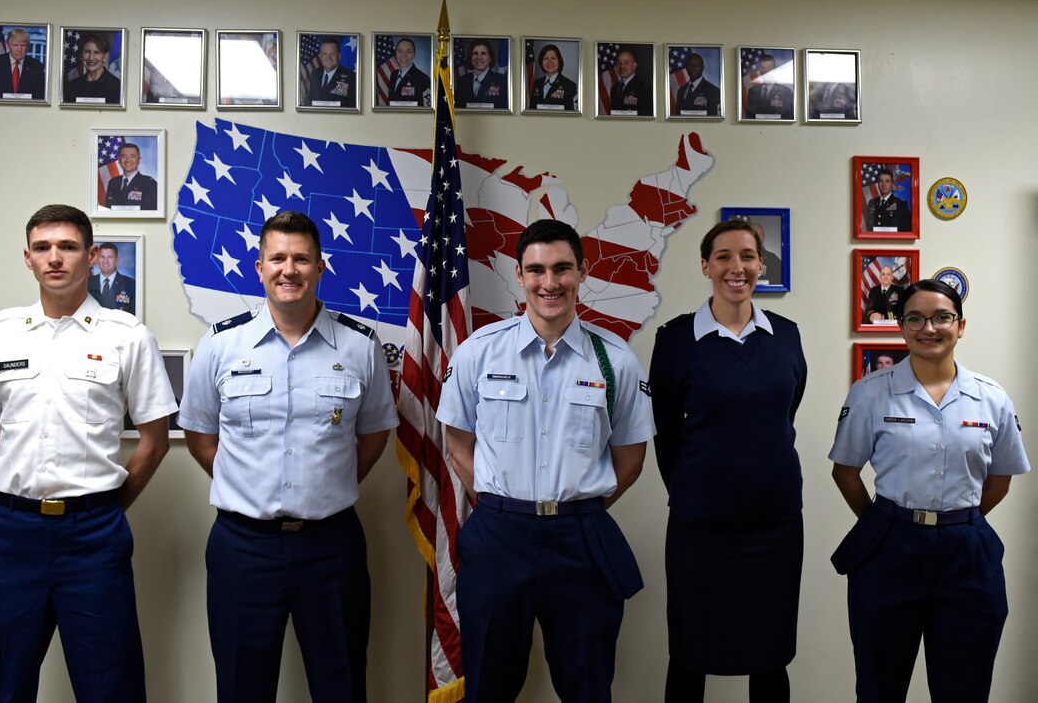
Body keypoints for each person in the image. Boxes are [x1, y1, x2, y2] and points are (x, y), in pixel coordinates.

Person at [0, 203, 176, 702]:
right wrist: (24, 486)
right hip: (14, 535)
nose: (55, 257)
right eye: (43, 247)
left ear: (92, 256)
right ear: (27, 259)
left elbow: (155, 438)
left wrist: (105, 505)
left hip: (94, 537)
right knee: (7, 684)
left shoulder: (128, 337)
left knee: (110, 685)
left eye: (69, 247)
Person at [178, 210, 398, 703]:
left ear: (321, 267)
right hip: (242, 546)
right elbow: (199, 433)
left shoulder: (361, 345)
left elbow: (375, 435)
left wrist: (329, 485)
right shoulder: (221, 344)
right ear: (259, 268)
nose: (289, 270)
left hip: (331, 545)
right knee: (240, 687)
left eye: (301, 259)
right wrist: (245, 484)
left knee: (341, 684)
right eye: (277, 258)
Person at [437, 219, 655, 702]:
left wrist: (577, 507)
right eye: (536, 270)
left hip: (580, 540)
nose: (549, 283)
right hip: (498, 537)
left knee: (587, 688)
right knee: (489, 686)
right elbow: (457, 440)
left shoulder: (615, 360)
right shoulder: (479, 352)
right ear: (519, 275)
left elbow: (631, 457)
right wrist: (497, 502)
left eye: (561, 269)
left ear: (582, 272)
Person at [829, 279, 1030, 703]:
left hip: (966, 552)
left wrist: (960, 520)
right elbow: (845, 471)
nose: (929, 328)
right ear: (901, 328)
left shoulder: (991, 398)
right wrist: (884, 526)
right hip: (891, 548)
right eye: (915, 318)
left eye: (942, 317)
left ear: (960, 326)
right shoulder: (870, 393)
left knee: (965, 687)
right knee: (879, 684)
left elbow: (1001, 479)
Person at [649, 219, 806, 703]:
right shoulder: (675, 340)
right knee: (690, 655)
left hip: (774, 527)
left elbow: (785, 411)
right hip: (701, 529)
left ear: (761, 265)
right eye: (723, 256)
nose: (736, 267)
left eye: (746, 256)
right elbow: (666, 433)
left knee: (770, 655)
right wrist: (697, 490)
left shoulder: (786, 336)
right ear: (704, 266)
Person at [0, 27, 46, 100]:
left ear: (28, 46)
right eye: (15, 45)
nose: (19, 49)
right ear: (8, 45)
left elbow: (39, 96)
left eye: (22, 45)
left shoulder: (36, 66)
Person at [65, 32, 121, 104]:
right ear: (81, 55)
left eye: (96, 52)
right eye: (87, 52)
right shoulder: (72, 86)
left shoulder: (116, 86)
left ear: (105, 56)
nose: (91, 58)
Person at [455, 38, 508, 109]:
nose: (479, 57)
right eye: (475, 53)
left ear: (490, 58)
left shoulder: (501, 80)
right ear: (470, 57)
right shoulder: (462, 81)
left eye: (483, 53)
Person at [305, 37, 356, 108]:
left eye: (332, 53)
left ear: (339, 56)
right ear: (320, 56)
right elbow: (310, 101)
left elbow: (353, 107)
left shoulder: (351, 77)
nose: (328, 57)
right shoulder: (315, 74)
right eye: (325, 53)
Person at [105, 143, 158, 211]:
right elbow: (108, 211)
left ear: (139, 159)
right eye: (124, 156)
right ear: (118, 159)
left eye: (132, 156)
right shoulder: (112, 182)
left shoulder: (149, 184)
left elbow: (153, 214)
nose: (128, 160)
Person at [88, 242, 136, 313]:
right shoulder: (87, 283)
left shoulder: (130, 285)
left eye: (110, 257)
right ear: (97, 260)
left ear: (117, 260)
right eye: (102, 257)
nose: (105, 261)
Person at [528, 43, 577, 111]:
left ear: (559, 60)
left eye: (553, 58)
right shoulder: (537, 83)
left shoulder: (569, 85)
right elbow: (531, 110)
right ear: (541, 61)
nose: (549, 62)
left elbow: (571, 114)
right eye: (545, 58)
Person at [745, 54, 793, 119]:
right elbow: (749, 116)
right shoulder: (752, 91)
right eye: (763, 68)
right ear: (759, 69)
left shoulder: (786, 91)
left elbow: (788, 116)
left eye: (769, 68)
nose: (766, 71)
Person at [673, 52, 721, 117]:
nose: (693, 69)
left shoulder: (714, 91)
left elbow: (714, 117)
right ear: (686, 68)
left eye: (697, 65)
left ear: (702, 68)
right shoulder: (681, 90)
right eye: (690, 66)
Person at [387, 37, 431, 107]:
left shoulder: (423, 79)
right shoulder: (393, 75)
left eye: (409, 52)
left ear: (414, 55)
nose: (404, 55)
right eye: (400, 51)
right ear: (395, 53)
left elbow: (427, 109)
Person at [609, 48, 652, 115]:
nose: (622, 66)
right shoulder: (614, 87)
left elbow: (645, 110)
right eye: (619, 63)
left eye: (626, 63)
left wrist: (624, 100)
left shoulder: (644, 87)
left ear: (634, 66)